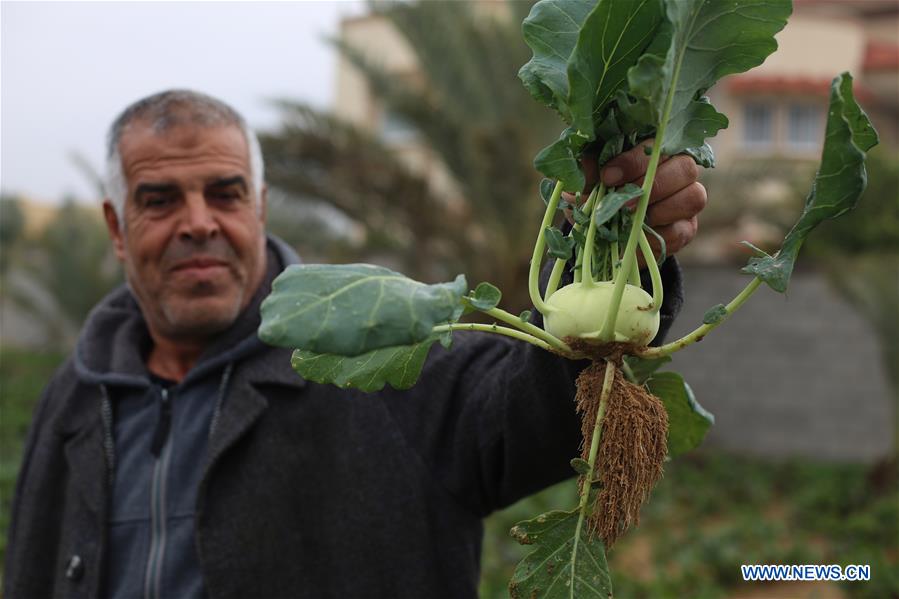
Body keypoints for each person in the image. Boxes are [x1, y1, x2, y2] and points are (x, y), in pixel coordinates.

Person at [4, 90, 706, 598]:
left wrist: (608, 254)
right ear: (116, 227)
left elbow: (522, 408)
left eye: (225, 193)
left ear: (260, 207)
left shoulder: (377, 347)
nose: (198, 223)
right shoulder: (77, 395)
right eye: (159, 200)